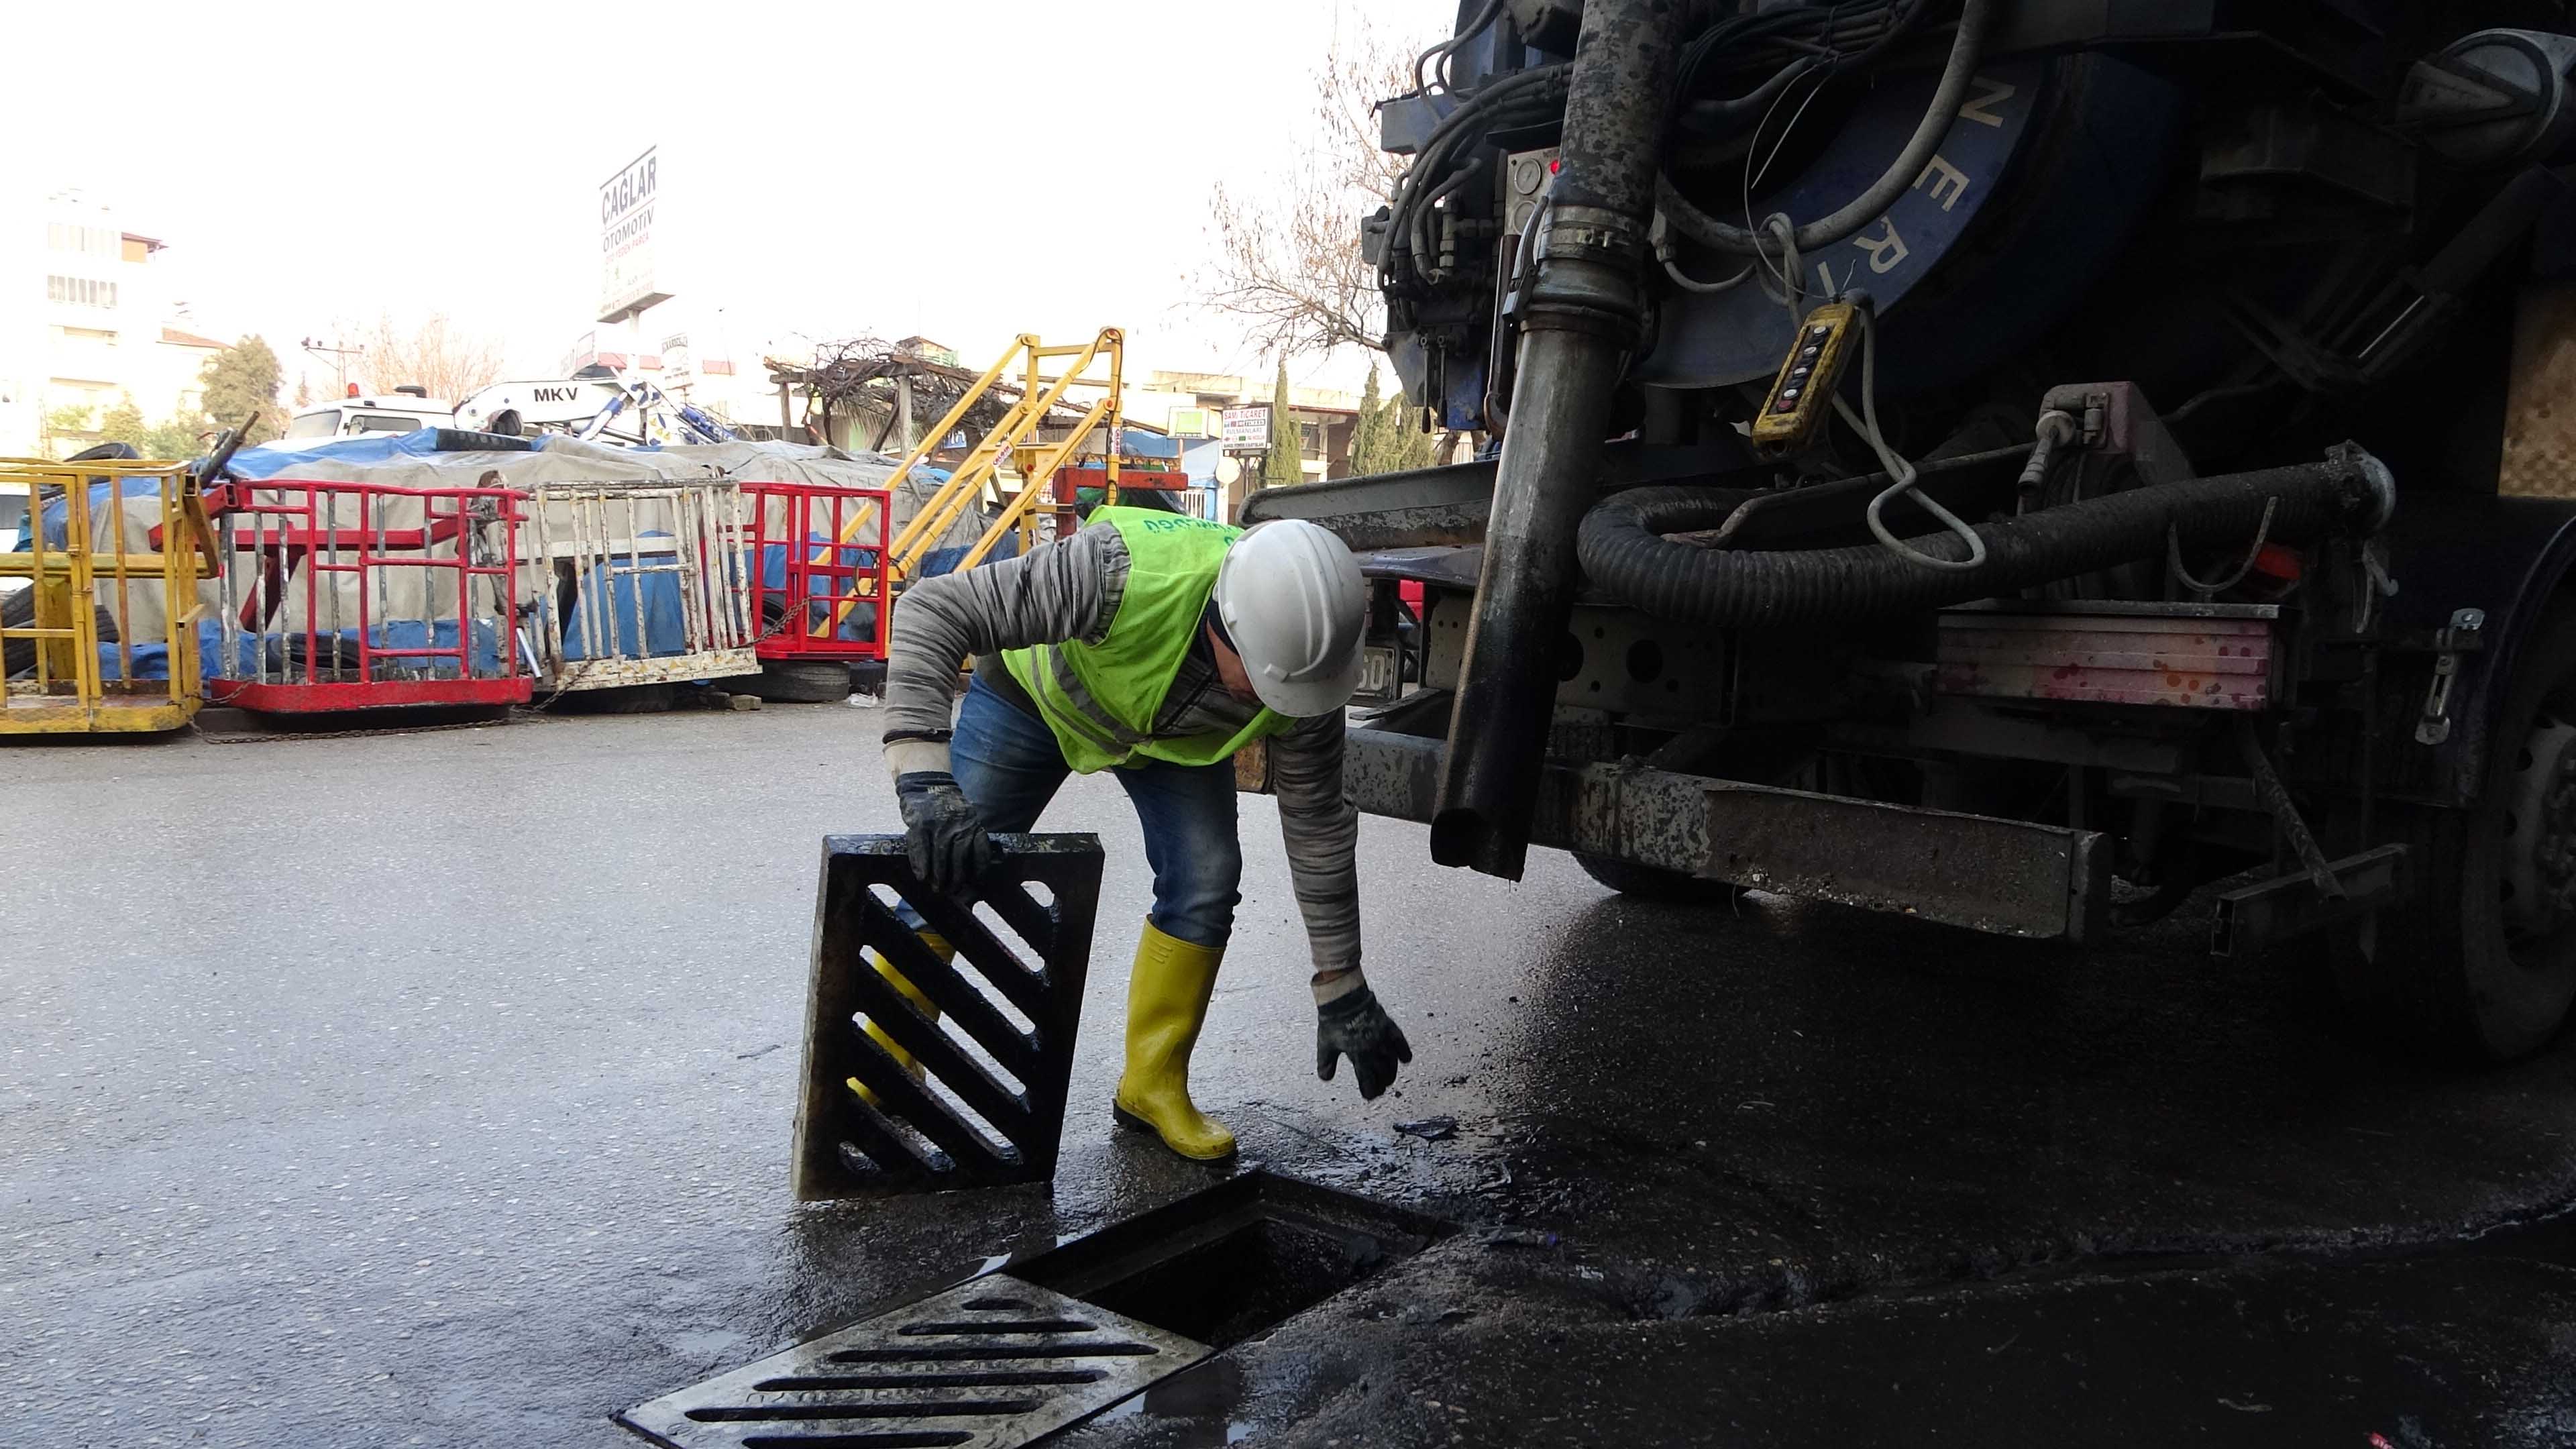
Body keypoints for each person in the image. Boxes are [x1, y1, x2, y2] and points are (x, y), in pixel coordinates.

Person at [873, 506, 1414, 1161]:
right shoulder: (1116, 574)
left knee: (1207, 879)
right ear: (1227, 625)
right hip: (1035, 701)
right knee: (945, 864)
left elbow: (1319, 823)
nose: (1280, 703)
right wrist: (924, 778)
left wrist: (1341, 979)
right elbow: (932, 608)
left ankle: (1152, 1085)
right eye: (1267, 684)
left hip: (1172, 745)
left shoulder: (1307, 669)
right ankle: (883, 1071)